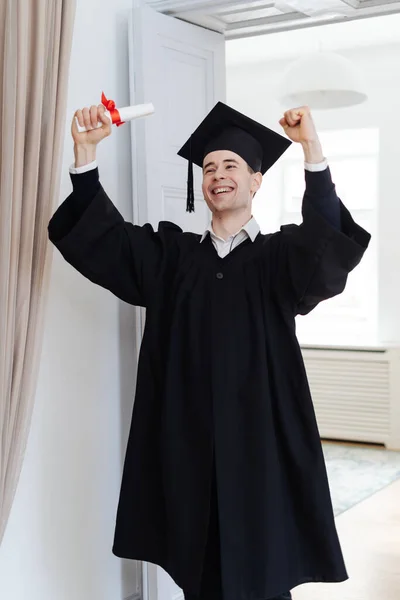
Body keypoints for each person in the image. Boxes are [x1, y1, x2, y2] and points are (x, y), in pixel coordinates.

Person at [48, 101, 370, 600]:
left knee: (264, 573)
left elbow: (327, 243)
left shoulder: (280, 258)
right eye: (210, 168)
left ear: (256, 181)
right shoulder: (172, 259)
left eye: (232, 166)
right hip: (188, 445)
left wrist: (312, 150)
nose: (218, 176)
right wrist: (85, 157)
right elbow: (107, 242)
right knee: (200, 573)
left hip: (262, 446)